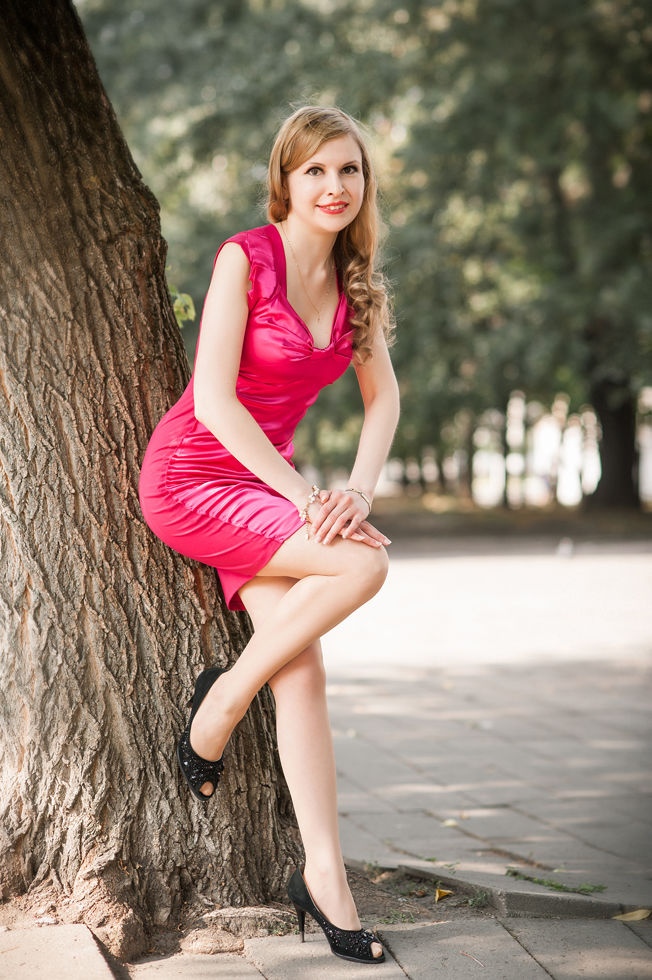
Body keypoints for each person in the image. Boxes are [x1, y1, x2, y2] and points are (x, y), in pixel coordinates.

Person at [138, 104, 400, 965]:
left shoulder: (357, 284)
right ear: (285, 180)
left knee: (303, 667)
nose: (334, 185)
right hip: (195, 475)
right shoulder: (245, 259)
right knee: (362, 567)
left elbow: (384, 401)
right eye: (315, 169)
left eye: (349, 169)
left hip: (269, 485)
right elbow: (215, 401)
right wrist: (308, 497)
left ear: (364, 184)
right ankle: (219, 704)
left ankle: (324, 878)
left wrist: (355, 491)